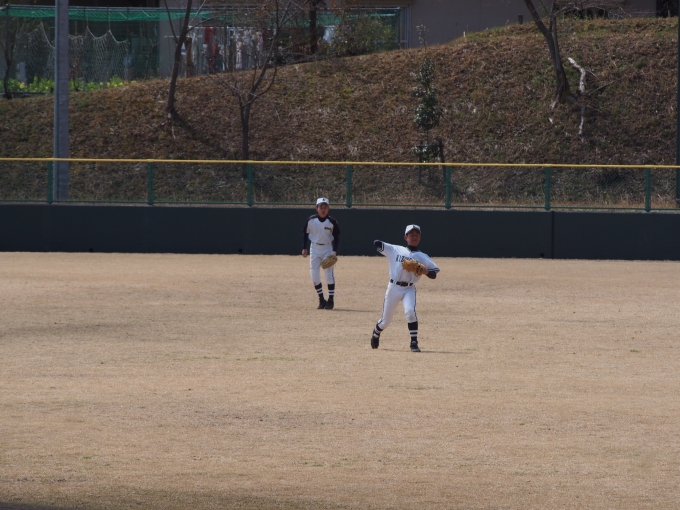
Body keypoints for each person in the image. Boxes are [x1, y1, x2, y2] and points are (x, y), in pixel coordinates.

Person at [370, 224, 439, 352]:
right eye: (411, 235)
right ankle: (376, 332)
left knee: (410, 312)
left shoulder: (422, 256)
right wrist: (387, 246)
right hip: (393, 288)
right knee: (385, 321)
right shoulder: (395, 249)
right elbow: (377, 243)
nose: (414, 237)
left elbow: (434, 274)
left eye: (417, 235)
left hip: (409, 289)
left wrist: (424, 271)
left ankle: (414, 343)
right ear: (405, 237)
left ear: (420, 238)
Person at [302, 198, 341, 310]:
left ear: (328, 209)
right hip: (314, 248)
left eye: (325, 207)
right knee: (314, 276)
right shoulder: (311, 220)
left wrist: (334, 251)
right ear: (317, 208)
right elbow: (305, 233)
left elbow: (336, 237)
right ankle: (321, 299)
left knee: (328, 275)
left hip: (327, 248)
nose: (323, 210)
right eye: (321, 207)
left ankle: (331, 300)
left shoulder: (332, 222)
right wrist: (304, 247)